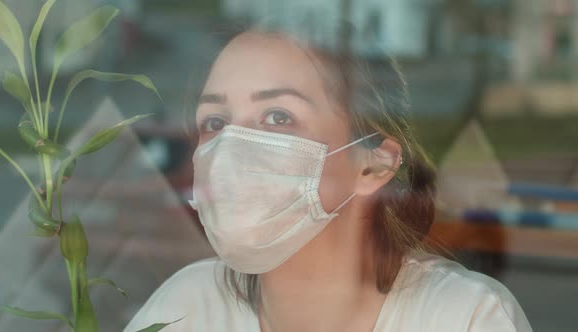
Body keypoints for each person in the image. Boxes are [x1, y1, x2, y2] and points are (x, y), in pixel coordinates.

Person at [125, 21, 532, 332]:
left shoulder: (464, 319)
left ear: (373, 164)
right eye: (214, 121)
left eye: (277, 117)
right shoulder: (184, 310)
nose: (232, 147)